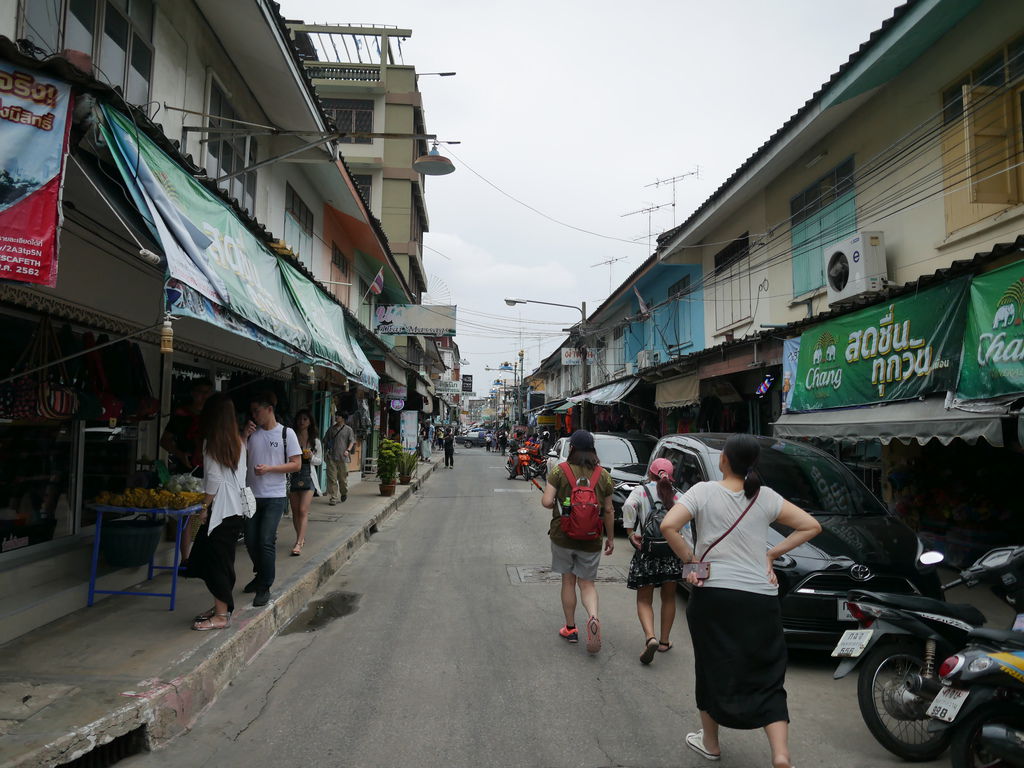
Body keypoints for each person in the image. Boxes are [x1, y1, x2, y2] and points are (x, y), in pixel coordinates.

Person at [660, 433, 821, 768]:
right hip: (759, 598)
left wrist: (692, 561)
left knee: (711, 666)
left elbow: (668, 526)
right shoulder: (765, 497)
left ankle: (711, 744)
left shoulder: (703, 492)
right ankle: (780, 753)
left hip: (713, 595)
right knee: (767, 670)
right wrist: (771, 554)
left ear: (723, 461)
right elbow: (810, 526)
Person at [541, 429, 614, 654]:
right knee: (587, 584)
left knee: (567, 581)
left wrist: (559, 504)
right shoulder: (603, 475)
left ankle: (571, 628)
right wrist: (610, 538)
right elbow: (609, 509)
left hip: (563, 536)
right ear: (592, 449)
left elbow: (546, 502)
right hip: (591, 538)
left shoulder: (559, 471)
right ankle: (593, 617)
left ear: (571, 448)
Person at [189, 393, 247, 631]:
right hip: (235, 511)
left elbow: (212, 480)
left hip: (219, 511)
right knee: (221, 560)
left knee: (214, 562)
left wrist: (204, 507)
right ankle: (222, 606)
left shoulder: (211, 442)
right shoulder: (238, 442)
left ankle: (222, 615)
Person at [622, 457, 685, 664]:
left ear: (650, 473)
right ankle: (665, 641)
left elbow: (628, 506)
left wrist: (631, 532)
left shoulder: (640, 492)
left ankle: (651, 637)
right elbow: (687, 525)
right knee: (668, 598)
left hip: (646, 551)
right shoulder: (676, 496)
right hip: (670, 552)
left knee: (644, 599)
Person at [243, 391, 301, 607]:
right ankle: (260, 574)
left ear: (269, 410)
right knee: (250, 540)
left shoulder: (287, 434)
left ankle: (265, 585)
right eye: (252, 412)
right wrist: (243, 436)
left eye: (257, 411)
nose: (254, 416)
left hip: (274, 496)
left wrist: (270, 469)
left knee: (266, 540)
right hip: (251, 494)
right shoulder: (252, 435)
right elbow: (240, 458)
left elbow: (296, 464)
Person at [160, 377, 213, 474]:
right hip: (186, 468)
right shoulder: (182, 415)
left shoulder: (214, 416)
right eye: (201, 392)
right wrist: (180, 454)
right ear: (193, 393)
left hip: (211, 469)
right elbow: (164, 440)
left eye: (208, 392)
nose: (205, 396)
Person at [287, 409, 321, 557]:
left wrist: (311, 456)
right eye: (300, 419)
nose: (302, 422)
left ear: (310, 422)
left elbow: (320, 461)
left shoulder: (316, 441)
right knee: (295, 511)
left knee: (302, 510)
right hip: (293, 477)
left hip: (309, 477)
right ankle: (300, 537)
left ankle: (299, 543)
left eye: (305, 419)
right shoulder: (291, 437)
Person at [324, 412, 356, 505]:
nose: (336, 417)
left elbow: (352, 441)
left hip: (343, 457)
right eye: (336, 415)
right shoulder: (331, 429)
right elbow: (325, 440)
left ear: (343, 418)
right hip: (331, 457)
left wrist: (348, 450)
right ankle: (333, 498)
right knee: (332, 479)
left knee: (342, 479)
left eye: (338, 416)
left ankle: (344, 492)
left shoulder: (348, 429)